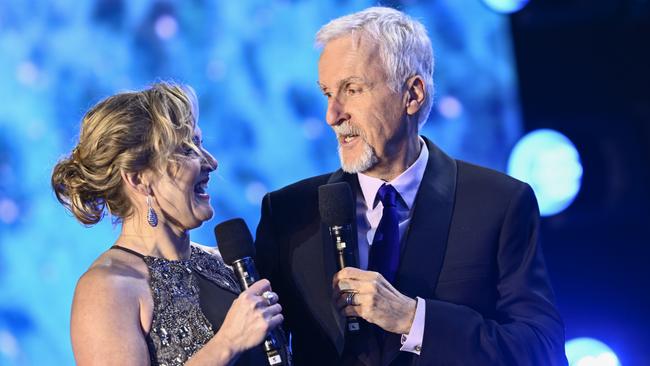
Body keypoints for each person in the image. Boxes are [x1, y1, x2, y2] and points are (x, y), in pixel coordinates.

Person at [254, 7, 567, 366]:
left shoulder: (499, 204)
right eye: (327, 93)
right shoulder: (290, 214)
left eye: (351, 90)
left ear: (412, 95)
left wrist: (413, 318)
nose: (333, 115)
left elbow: (543, 352)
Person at [52, 82, 283, 365]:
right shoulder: (108, 289)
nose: (211, 162)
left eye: (200, 144)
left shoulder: (224, 264)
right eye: (187, 151)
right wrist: (228, 343)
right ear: (138, 179)